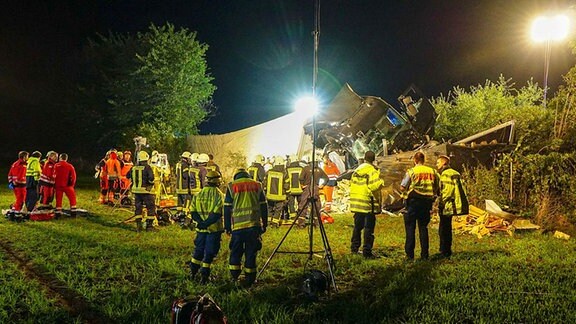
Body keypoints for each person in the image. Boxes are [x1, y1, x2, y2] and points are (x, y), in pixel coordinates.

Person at [224, 168, 268, 288]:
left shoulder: (231, 186)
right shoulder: (257, 185)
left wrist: (227, 226)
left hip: (237, 228)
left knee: (235, 252)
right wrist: (265, 224)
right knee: (251, 253)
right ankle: (250, 279)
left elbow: (227, 208)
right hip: (253, 226)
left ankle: (234, 277)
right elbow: (264, 206)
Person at [400, 152, 440, 260]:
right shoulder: (432, 171)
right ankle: (424, 255)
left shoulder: (412, 171)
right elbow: (437, 186)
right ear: (424, 160)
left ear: (415, 160)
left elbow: (403, 187)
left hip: (413, 202)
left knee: (410, 229)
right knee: (423, 228)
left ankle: (409, 255)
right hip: (426, 203)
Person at [188, 170, 225, 284]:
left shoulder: (199, 194)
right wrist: (207, 223)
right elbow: (217, 213)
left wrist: (201, 223)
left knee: (198, 251)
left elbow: (193, 211)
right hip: (213, 230)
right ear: (218, 180)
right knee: (209, 253)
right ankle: (205, 276)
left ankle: (193, 273)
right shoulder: (219, 195)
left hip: (200, 229)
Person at [349, 151, 384, 259]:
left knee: (357, 226)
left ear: (364, 158)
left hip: (356, 202)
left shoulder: (357, 170)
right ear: (373, 159)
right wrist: (381, 181)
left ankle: (354, 248)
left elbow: (352, 183)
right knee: (369, 228)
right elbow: (374, 187)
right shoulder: (372, 171)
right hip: (367, 203)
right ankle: (367, 251)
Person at [436, 155, 469, 259]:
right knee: (448, 228)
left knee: (443, 228)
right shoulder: (456, 173)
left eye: (438, 163)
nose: (436, 165)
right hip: (455, 203)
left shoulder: (445, 174)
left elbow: (447, 191)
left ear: (443, 163)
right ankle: (447, 249)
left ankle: (444, 251)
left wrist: (441, 202)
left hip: (448, 205)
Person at [129, 151, 157, 232]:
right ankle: (149, 226)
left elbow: (128, 175)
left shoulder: (133, 167)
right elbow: (151, 178)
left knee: (138, 208)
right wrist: (150, 184)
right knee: (151, 207)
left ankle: (138, 226)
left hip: (136, 192)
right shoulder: (147, 167)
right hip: (145, 191)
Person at [297, 156, 328, 228]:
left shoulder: (306, 169)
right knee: (316, 206)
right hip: (316, 189)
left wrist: (302, 185)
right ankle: (317, 224)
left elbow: (301, 178)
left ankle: (301, 224)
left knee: (303, 206)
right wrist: (322, 185)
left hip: (307, 188)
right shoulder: (319, 170)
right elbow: (326, 178)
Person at [265, 156, 288, 227]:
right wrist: (287, 193)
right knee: (278, 209)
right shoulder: (284, 173)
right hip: (280, 196)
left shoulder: (269, 172)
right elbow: (286, 185)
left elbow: (264, 183)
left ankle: (268, 223)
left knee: (269, 208)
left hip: (269, 195)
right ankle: (275, 223)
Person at [54, 153, 77, 217]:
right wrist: (72, 185)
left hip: (58, 185)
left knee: (58, 199)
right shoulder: (70, 166)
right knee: (72, 199)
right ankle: (73, 213)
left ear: (60, 158)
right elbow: (74, 176)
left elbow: (53, 175)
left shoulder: (56, 165)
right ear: (66, 158)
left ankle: (58, 213)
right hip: (67, 185)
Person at [285, 154, 303, 220]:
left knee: (291, 204)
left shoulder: (288, 169)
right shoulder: (301, 168)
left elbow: (286, 180)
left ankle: (293, 217)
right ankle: (301, 216)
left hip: (291, 190)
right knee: (300, 203)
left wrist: (286, 190)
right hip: (300, 190)